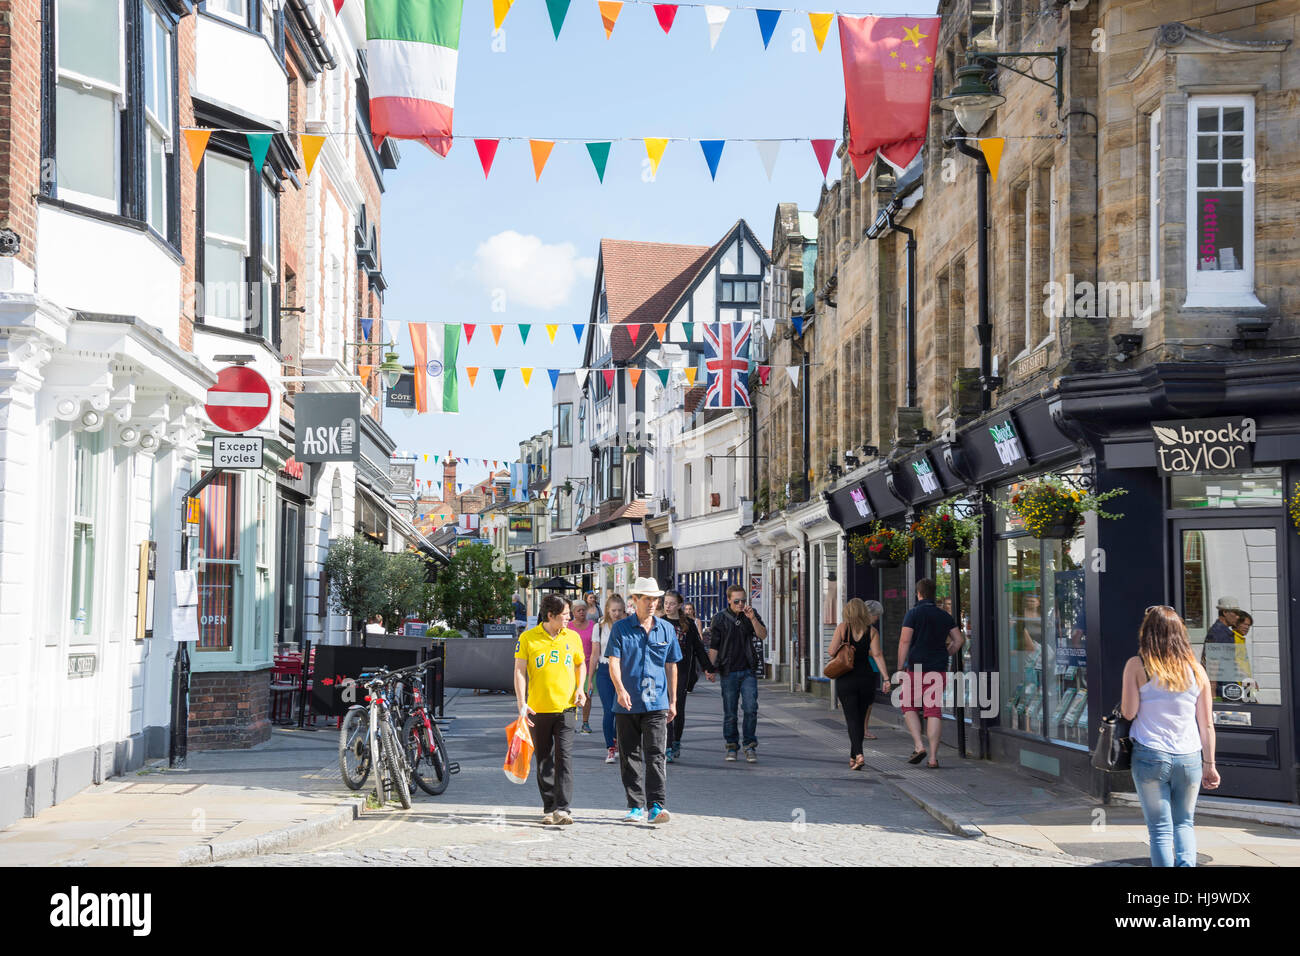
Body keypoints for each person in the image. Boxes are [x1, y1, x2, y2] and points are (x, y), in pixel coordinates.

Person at [1122, 605, 1219, 867]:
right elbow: (1206, 724)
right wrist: (1210, 765)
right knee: (1185, 823)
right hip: (1189, 757)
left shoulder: (1137, 665)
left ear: (1147, 633)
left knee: (1160, 830)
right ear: (1180, 633)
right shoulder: (1197, 670)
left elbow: (1128, 713)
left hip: (1150, 754)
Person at [606, 577, 681, 824]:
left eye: (655, 599)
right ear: (635, 600)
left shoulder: (666, 629)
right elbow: (614, 662)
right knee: (630, 755)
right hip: (627, 703)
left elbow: (671, 665)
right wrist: (619, 689)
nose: (651, 603)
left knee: (656, 754)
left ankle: (657, 806)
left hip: (657, 702)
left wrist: (672, 701)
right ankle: (635, 805)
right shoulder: (620, 628)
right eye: (646, 598)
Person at [513, 594, 586, 826]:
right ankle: (549, 806)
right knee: (544, 759)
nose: (569, 618)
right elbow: (519, 671)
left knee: (564, 758)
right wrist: (521, 702)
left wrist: (581, 688)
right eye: (565, 614)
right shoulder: (528, 638)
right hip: (538, 709)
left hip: (566, 708)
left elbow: (580, 663)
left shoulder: (572, 637)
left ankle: (563, 809)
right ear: (551, 615)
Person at [896, 578, 965, 768]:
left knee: (908, 705)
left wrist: (900, 667)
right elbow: (958, 640)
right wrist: (945, 653)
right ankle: (933, 757)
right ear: (934, 594)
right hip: (938, 668)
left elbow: (904, 641)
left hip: (916, 667)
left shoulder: (913, 614)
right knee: (933, 710)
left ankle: (919, 746)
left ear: (918, 593)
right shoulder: (944, 615)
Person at [707, 584, 768, 763]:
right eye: (736, 601)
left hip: (748, 670)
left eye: (743, 600)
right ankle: (732, 745)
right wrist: (710, 669)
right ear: (728, 600)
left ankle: (749, 745)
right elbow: (714, 646)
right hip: (728, 670)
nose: (741, 604)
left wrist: (753, 619)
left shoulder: (751, 614)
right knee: (730, 712)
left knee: (751, 708)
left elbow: (763, 635)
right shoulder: (719, 619)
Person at [828, 598, 890, 769]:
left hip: (846, 679)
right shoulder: (872, 631)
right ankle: (853, 756)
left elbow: (831, 652)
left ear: (847, 612)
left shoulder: (843, 628)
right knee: (859, 718)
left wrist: (843, 645)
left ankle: (859, 754)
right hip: (866, 680)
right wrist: (886, 678)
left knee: (852, 719)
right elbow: (877, 655)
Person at [662, 589, 716, 761]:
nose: (668, 606)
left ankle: (676, 740)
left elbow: (699, 648)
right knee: (666, 708)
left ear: (679, 605)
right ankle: (668, 745)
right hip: (662, 671)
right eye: (665, 603)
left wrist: (708, 668)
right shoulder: (659, 622)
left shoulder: (688, 625)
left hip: (682, 671)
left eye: (671, 603)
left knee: (678, 708)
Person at [589, 595, 626, 764]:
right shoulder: (599, 627)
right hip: (604, 670)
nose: (616, 614)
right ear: (607, 610)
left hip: (624, 671)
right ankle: (610, 747)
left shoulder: (628, 625)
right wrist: (589, 678)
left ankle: (619, 741)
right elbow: (595, 653)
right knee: (609, 710)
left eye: (619, 610)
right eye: (613, 610)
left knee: (621, 711)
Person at [1201, 595, 1242, 699]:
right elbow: (1212, 662)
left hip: (1228, 683)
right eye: (1235, 613)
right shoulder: (1217, 633)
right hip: (1223, 686)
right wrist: (1212, 690)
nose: (1237, 617)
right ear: (1224, 612)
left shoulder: (1224, 632)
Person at [569, 600, 596, 734]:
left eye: (583, 610)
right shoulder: (568, 626)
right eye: (578, 610)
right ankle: (571, 722)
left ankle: (585, 723)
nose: (581, 613)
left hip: (588, 666)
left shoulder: (592, 625)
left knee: (587, 695)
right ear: (573, 612)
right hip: (571, 667)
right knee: (572, 695)